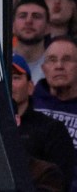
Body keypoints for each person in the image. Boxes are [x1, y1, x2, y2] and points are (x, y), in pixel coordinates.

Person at [13, 54, 74, 191]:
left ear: (30, 87)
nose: (9, 83)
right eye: (4, 78)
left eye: (16, 77)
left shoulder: (52, 129)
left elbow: (62, 182)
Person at [33, 36, 77, 188]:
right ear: (43, 68)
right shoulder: (29, 103)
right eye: (52, 59)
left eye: (67, 59)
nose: (59, 65)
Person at [15, 0, 52, 84]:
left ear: (48, 27)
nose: (28, 21)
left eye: (36, 16)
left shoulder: (55, 66)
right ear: (12, 26)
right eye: (22, 16)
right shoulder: (1, 63)